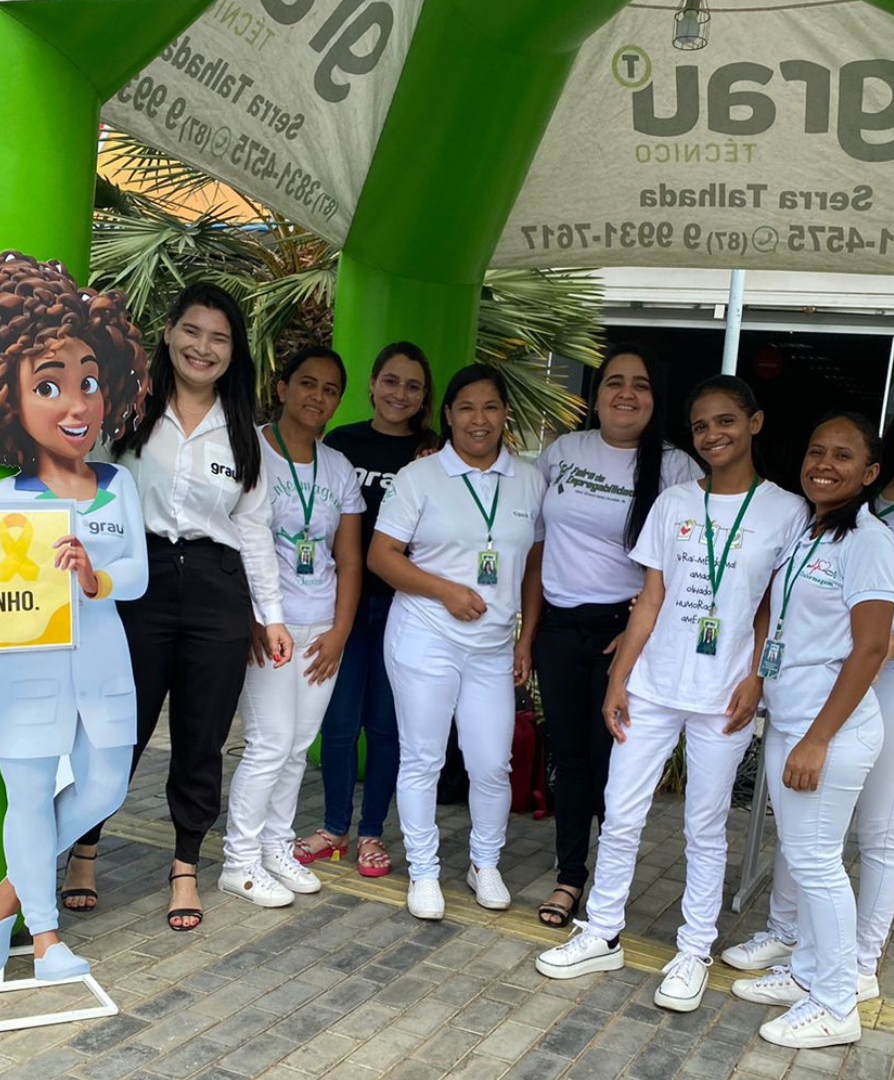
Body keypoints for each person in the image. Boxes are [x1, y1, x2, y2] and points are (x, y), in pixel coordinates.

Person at [535, 376, 805, 1013]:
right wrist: (619, 677)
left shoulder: (786, 511)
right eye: (702, 425)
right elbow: (650, 598)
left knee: (704, 826)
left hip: (725, 694)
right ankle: (601, 932)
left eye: (726, 422)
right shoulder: (675, 503)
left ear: (755, 424)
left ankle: (693, 950)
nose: (713, 435)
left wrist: (758, 677)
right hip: (655, 686)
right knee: (622, 812)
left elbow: (775, 606)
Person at [724, 379, 894, 1001]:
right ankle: (790, 936)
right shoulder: (855, 498)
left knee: (877, 827)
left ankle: (858, 964)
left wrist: (866, 652)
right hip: (826, 680)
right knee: (807, 820)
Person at [0, 251, 149, 978]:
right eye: (50, 385)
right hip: (26, 670)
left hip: (104, 664)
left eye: (88, 382)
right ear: (8, 398)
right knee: (27, 793)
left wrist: (94, 578)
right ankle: (46, 936)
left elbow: (140, 578)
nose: (77, 405)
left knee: (106, 786)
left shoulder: (119, 486)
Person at [63, 283, 293, 930]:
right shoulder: (126, 412)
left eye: (219, 338)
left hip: (218, 590)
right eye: (193, 331)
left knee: (203, 734)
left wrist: (270, 616)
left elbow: (253, 532)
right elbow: (88, 490)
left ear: (233, 351)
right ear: (168, 333)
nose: (204, 347)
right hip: (140, 581)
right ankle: (85, 847)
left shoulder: (245, 436)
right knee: (118, 726)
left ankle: (185, 864)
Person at [730, 412, 894, 1049]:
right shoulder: (811, 531)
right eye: (815, 451)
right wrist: (758, 680)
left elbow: (870, 648)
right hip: (792, 720)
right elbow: (782, 622)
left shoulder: (869, 541)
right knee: (803, 856)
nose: (824, 464)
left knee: (816, 862)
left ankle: (836, 1002)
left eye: (844, 457)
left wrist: (818, 739)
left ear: (870, 473)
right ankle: (806, 972)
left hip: (831, 730)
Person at [519, 344, 701, 929]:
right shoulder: (564, 452)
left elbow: (701, 556)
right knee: (571, 761)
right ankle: (571, 877)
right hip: (560, 630)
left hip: (624, 637)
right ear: (596, 395)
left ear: (656, 399)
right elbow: (536, 540)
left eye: (641, 384)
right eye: (614, 382)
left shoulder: (674, 466)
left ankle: (610, 888)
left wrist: (640, 621)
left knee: (611, 763)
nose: (627, 393)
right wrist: (529, 630)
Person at [368, 363, 545, 920]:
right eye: (466, 407)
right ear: (447, 415)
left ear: (505, 414)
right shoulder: (420, 478)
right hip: (426, 635)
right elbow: (381, 557)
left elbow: (533, 565)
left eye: (490, 407)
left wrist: (526, 638)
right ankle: (423, 870)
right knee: (422, 757)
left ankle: (483, 863)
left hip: (493, 647)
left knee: (492, 762)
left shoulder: (529, 480)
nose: (479, 418)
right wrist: (444, 590)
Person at [219, 346, 364, 905]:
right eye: (307, 383)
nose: (318, 397)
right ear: (282, 387)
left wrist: (340, 632)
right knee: (269, 742)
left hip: (321, 627)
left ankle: (277, 846)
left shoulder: (338, 467)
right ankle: (240, 859)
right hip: (267, 626)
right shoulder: (249, 449)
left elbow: (348, 559)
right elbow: (235, 538)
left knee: (299, 743)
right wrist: (255, 616)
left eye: (330, 389)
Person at [295, 342, 436, 876]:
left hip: (405, 610)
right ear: (373, 385)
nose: (401, 393)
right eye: (392, 381)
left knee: (385, 728)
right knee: (338, 724)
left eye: (413, 386)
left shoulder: (433, 454)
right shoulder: (341, 444)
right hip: (345, 607)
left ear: (424, 398)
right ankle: (333, 828)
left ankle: (372, 833)